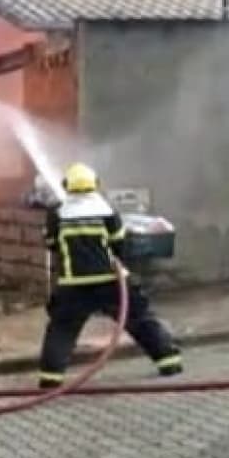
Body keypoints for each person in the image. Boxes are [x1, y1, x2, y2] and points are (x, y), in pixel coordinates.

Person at [38, 162, 183, 389]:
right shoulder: (107, 211)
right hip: (110, 282)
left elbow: (51, 243)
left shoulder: (57, 213)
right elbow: (119, 245)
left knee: (62, 329)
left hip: (73, 284)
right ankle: (169, 362)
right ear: (95, 184)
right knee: (140, 319)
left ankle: (50, 378)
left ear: (66, 186)